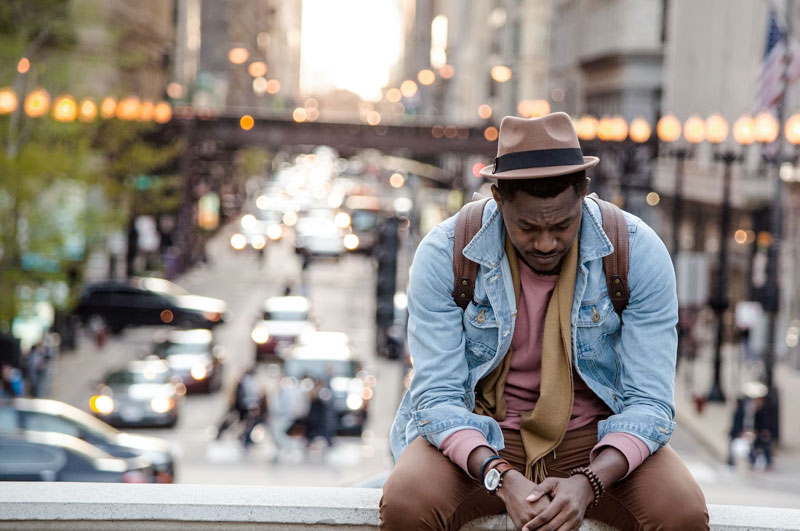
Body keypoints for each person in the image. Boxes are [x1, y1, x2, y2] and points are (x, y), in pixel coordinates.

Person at [381, 113, 708, 531]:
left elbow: (651, 402)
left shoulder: (637, 251)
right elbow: (437, 398)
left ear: (584, 192)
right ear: (498, 199)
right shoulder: (446, 252)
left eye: (562, 225)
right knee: (407, 501)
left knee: (681, 511)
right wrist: (500, 476)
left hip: (596, 439)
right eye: (528, 228)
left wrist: (589, 482)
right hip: (481, 432)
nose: (546, 242)